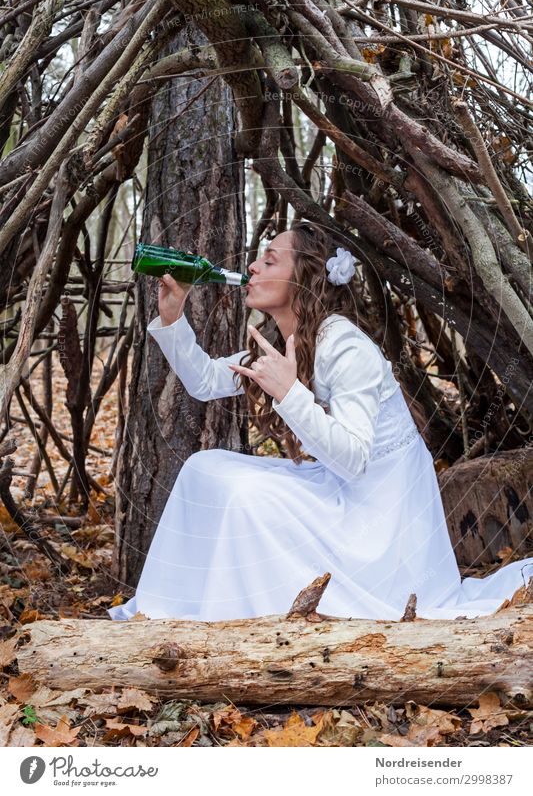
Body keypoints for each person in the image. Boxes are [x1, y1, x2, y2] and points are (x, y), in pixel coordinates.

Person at [108, 222, 533, 622]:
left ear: (304, 278)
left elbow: (354, 460)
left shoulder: (345, 346)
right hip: (341, 487)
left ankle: (244, 620)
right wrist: (172, 317)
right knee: (203, 469)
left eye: (270, 260)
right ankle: (177, 610)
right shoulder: (287, 342)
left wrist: (289, 393)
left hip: (383, 516)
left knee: (244, 493)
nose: (253, 266)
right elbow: (205, 381)